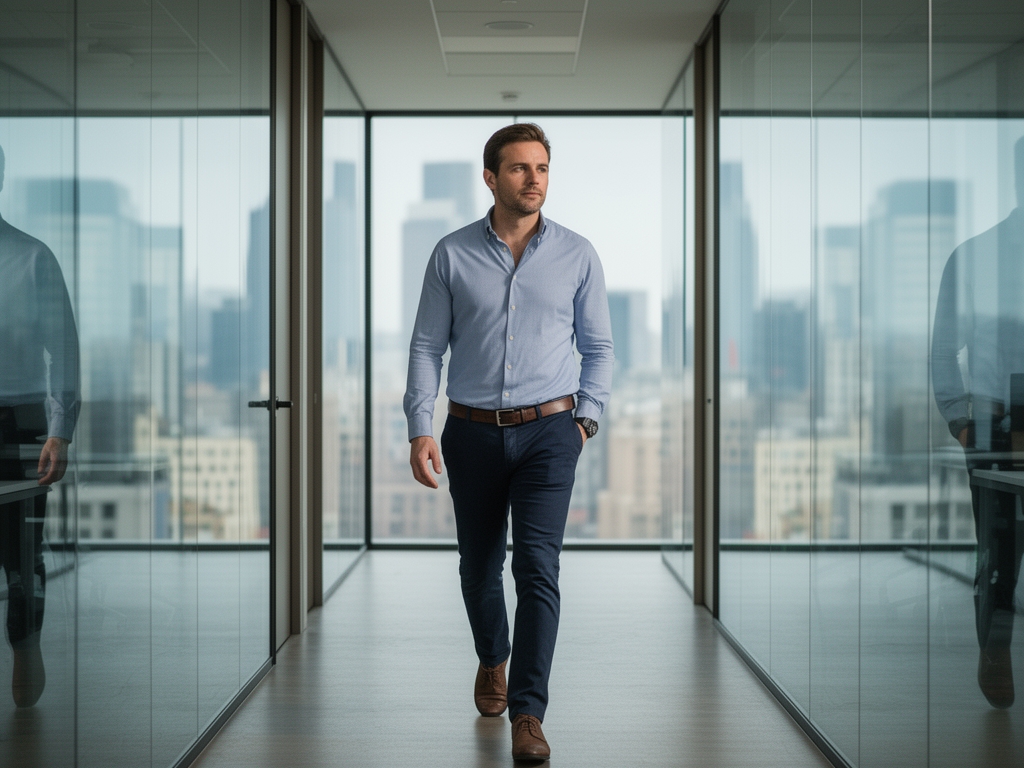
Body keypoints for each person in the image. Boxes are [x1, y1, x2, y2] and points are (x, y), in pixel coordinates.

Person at [404, 123, 613, 761]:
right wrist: (419, 426)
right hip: (469, 431)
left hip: (552, 431)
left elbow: (598, 348)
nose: (534, 181)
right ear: (491, 178)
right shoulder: (450, 253)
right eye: (520, 169)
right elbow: (426, 348)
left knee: (538, 568)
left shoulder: (578, 255)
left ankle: (528, 711)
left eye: (543, 168)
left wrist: (585, 421)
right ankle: (492, 657)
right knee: (478, 566)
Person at [932, 134, 1024, 710]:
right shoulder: (976, 255)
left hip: (994, 427)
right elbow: (944, 351)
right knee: (999, 557)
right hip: (996, 427)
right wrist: (965, 423)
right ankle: (996, 655)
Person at [0, 144, 80, 708]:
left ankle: (25, 648)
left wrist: (59, 428)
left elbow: (65, 351)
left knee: (21, 554)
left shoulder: (32, 258)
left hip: (19, 420)